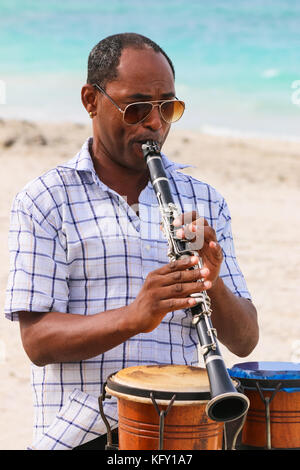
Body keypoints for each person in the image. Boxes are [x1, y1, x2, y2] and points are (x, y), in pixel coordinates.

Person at [4, 33, 259, 450]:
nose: (155, 124)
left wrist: (213, 282)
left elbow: (245, 339)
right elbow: (38, 341)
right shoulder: (45, 199)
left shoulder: (204, 198)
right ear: (91, 100)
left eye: (168, 108)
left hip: (178, 431)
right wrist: (136, 316)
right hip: (80, 435)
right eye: (137, 108)